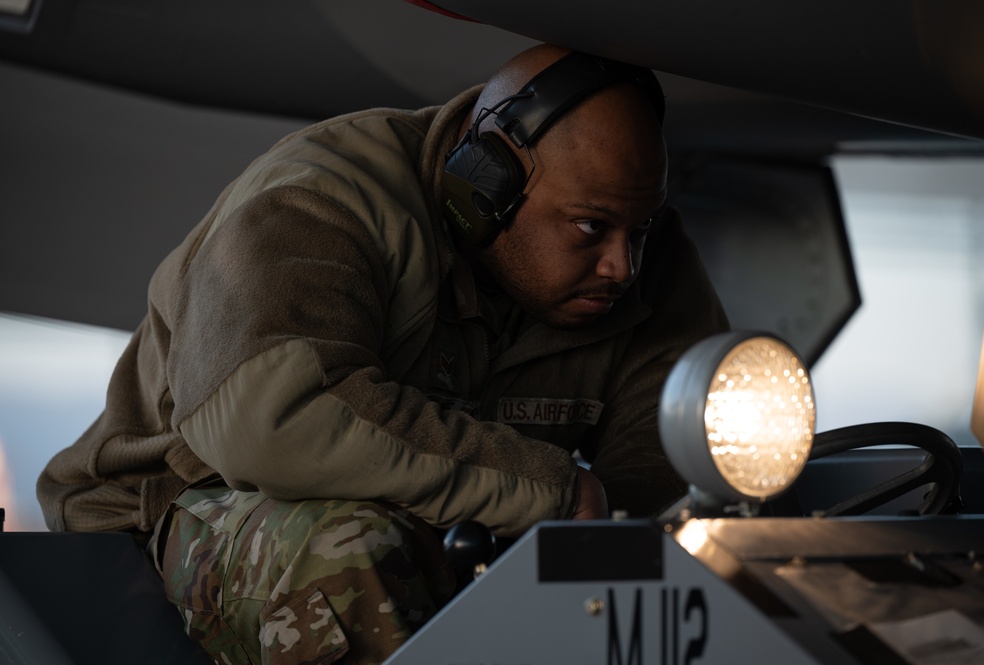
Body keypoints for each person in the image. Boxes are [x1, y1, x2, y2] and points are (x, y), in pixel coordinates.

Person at [37, 44, 728, 664]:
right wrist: (546, 489)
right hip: (181, 509)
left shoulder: (642, 260)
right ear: (484, 188)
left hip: (459, 522)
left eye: (637, 230)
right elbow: (271, 419)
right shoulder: (320, 196)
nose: (620, 265)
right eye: (590, 227)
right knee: (349, 552)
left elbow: (660, 485)